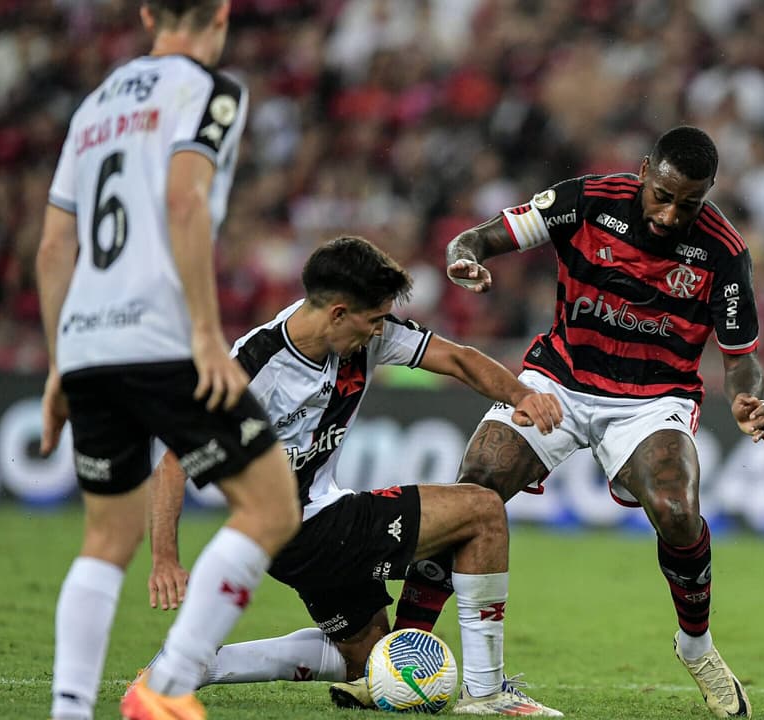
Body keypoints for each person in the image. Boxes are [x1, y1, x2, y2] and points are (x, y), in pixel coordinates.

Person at [393, 125, 764, 719]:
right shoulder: (586, 200)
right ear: (645, 170)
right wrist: (463, 258)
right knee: (476, 485)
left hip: (653, 398)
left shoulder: (723, 251)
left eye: (688, 203)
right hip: (559, 380)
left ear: (709, 194)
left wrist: (748, 399)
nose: (671, 214)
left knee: (677, 511)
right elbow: (480, 237)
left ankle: (696, 648)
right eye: (662, 195)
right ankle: (403, 650)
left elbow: (741, 359)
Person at [144, 236, 566, 716]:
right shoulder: (255, 366)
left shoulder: (368, 333)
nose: (379, 330)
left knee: (366, 662)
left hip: (309, 528)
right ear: (338, 313)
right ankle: (487, 692)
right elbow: (175, 460)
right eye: (373, 319)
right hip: (302, 526)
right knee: (482, 510)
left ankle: (193, 664)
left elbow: (457, 358)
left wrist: (521, 395)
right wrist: (164, 559)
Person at [36, 2, 301, 719]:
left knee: (105, 538)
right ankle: (170, 684)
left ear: (150, 11)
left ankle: (69, 710)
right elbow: (184, 201)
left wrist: (61, 365)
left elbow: (54, 247)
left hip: (88, 338)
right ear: (220, 13)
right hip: (160, 335)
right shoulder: (211, 90)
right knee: (272, 506)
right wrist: (207, 334)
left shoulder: (94, 105)